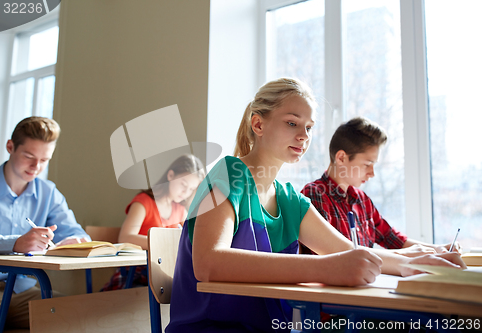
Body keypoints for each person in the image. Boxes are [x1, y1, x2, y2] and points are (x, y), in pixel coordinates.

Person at [166, 78, 465, 333]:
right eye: (292, 123)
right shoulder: (228, 175)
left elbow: (346, 251)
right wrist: (323, 269)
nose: (303, 135)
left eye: (309, 127)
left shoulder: (289, 197)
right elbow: (208, 264)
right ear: (258, 123)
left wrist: (408, 261)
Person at [0, 116, 90, 333]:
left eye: (44, 160)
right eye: (29, 156)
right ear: (10, 147)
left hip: (24, 291)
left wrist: (75, 242)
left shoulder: (48, 192)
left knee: (82, 316)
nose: (36, 167)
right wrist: (16, 243)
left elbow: (75, 232)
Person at [300, 116, 460, 257]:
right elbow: (335, 257)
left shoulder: (361, 200)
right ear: (341, 158)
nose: (372, 173)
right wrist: (406, 256)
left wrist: (438, 249)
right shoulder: (314, 195)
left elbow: (392, 238)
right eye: (367, 164)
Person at [101, 154, 204, 291]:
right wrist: (164, 243)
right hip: (135, 272)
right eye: (183, 184)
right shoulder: (144, 202)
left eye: (191, 189)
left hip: (162, 272)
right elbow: (125, 238)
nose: (186, 192)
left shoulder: (180, 210)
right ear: (171, 176)